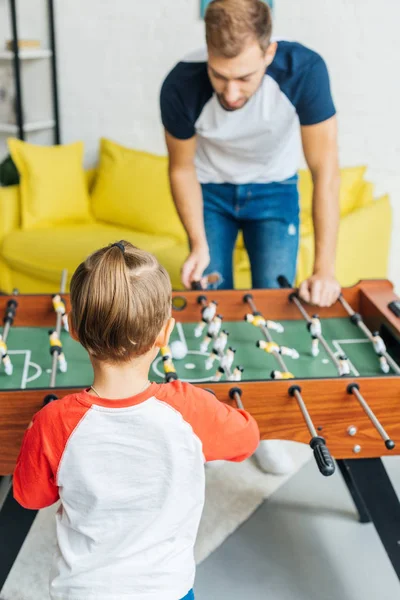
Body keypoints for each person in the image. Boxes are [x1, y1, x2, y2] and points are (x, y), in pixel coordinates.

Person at [13, 241, 260, 600]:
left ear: (74, 329)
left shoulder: (52, 422)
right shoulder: (188, 407)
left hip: (82, 592)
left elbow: (30, 496)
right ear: (165, 333)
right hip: (168, 591)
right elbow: (247, 438)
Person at [160, 0, 341, 308]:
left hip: (275, 189)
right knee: (210, 302)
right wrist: (198, 243)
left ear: (269, 53)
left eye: (244, 78)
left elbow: (325, 169)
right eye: (219, 76)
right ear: (207, 49)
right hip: (210, 194)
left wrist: (324, 270)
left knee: (274, 299)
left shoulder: (305, 72)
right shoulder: (180, 85)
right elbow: (181, 168)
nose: (230, 94)